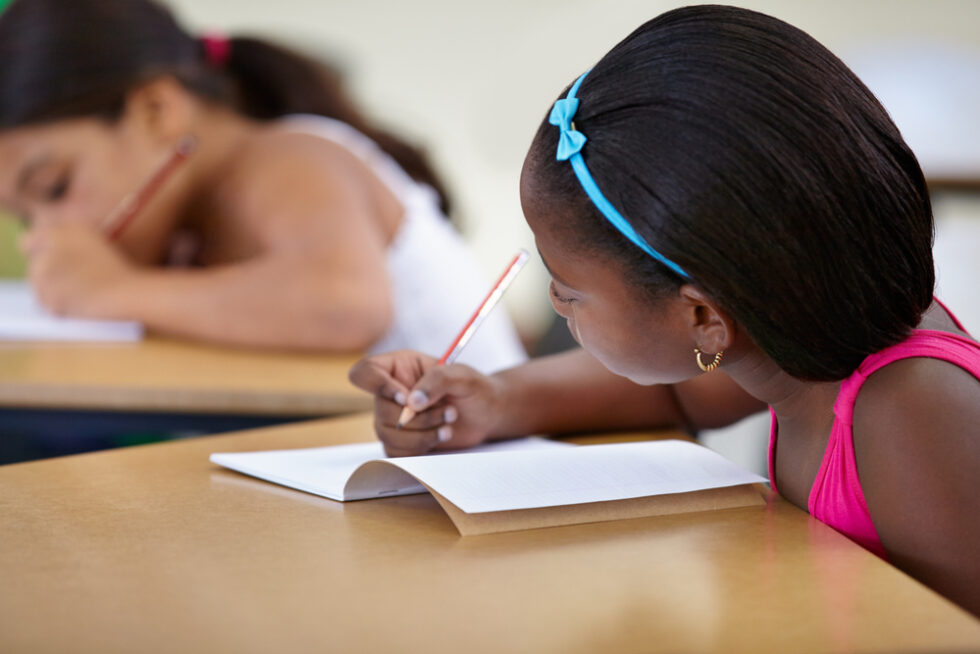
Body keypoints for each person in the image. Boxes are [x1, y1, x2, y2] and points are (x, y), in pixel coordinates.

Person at [349, 6, 980, 616]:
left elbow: (950, 631)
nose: (552, 300)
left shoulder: (911, 411)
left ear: (703, 318)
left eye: (568, 290)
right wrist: (491, 400)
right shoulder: (794, 336)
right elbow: (681, 397)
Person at [0, 0, 526, 372]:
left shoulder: (290, 157)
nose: (42, 233)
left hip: (487, 486)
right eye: (24, 218)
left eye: (53, 188)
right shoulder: (183, 232)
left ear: (156, 110)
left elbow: (346, 305)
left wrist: (111, 290)